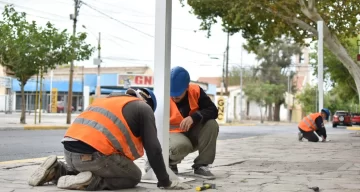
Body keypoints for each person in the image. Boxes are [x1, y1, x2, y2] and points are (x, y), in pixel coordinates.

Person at [28, 88, 190, 190]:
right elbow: (153, 149)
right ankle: (91, 182)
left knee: (92, 163)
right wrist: (164, 181)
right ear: (148, 102)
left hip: (69, 152)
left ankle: (58, 169)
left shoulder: (106, 100)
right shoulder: (143, 108)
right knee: (133, 175)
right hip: (92, 156)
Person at [167, 66, 219, 179]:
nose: (174, 97)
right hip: (171, 136)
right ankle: (169, 163)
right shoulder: (162, 95)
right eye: (172, 94)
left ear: (186, 87)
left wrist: (194, 117)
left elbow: (213, 111)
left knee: (211, 124)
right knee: (182, 145)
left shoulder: (195, 91)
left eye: (178, 94)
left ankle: (201, 166)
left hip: (190, 133)